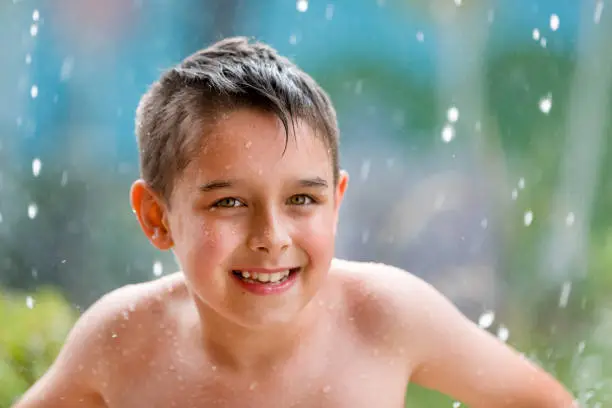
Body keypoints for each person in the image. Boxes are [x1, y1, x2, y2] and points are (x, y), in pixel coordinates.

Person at [14, 37, 576, 408]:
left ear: (337, 200)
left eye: (303, 200)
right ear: (157, 218)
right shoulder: (125, 339)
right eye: (229, 203)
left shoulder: (382, 315)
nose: (271, 238)